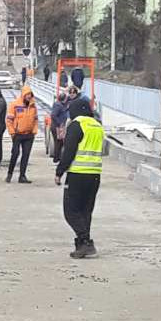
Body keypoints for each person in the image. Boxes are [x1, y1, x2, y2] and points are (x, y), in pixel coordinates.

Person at [55, 97, 105, 258]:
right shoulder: (98, 126)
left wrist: (59, 171)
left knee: (70, 211)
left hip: (77, 174)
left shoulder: (77, 125)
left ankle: (86, 242)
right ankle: (82, 245)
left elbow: (68, 151)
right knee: (85, 211)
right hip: (95, 175)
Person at [5, 85, 38, 183]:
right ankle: (9, 174)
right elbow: (9, 120)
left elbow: (35, 120)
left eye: (30, 94)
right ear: (23, 94)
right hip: (17, 134)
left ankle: (22, 176)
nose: (28, 96)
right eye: (27, 94)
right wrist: (12, 132)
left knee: (26, 155)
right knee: (15, 154)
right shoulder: (14, 104)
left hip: (29, 135)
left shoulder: (33, 106)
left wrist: (34, 131)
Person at [49, 91, 70, 162]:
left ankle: (57, 157)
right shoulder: (58, 105)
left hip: (57, 126)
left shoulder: (59, 104)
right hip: (57, 127)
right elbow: (53, 115)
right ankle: (56, 158)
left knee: (59, 142)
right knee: (58, 142)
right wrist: (60, 123)